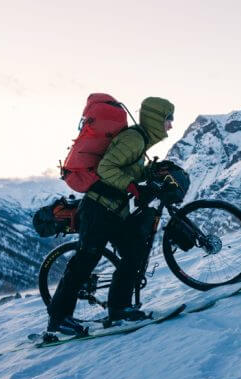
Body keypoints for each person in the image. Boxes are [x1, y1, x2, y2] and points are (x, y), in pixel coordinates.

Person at [47, 97, 175, 335]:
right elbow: (107, 169)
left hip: (114, 210)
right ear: (157, 118)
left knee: (134, 253)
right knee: (85, 262)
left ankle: (120, 310)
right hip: (98, 209)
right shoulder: (134, 139)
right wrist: (133, 187)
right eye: (169, 119)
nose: (171, 125)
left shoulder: (140, 141)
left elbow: (127, 169)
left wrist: (151, 171)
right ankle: (59, 320)